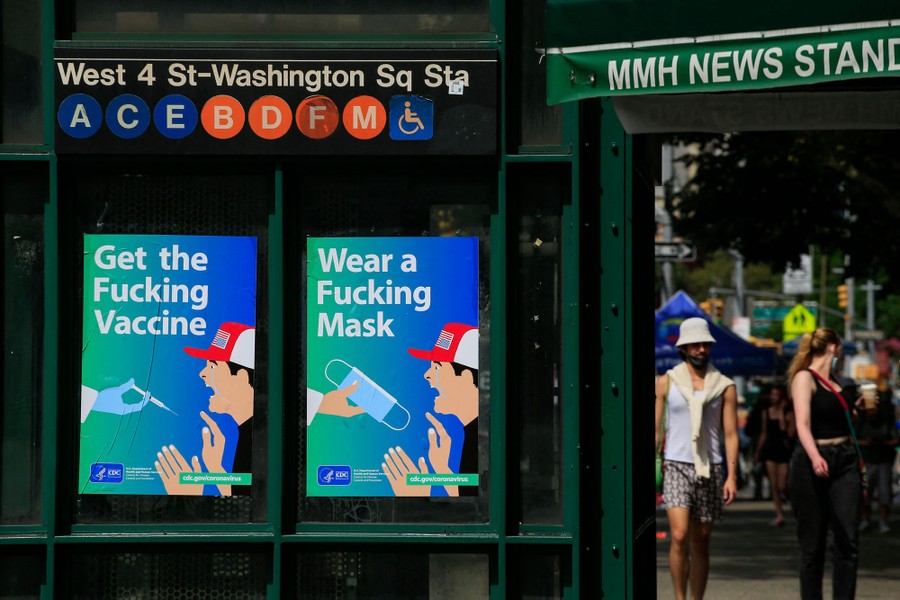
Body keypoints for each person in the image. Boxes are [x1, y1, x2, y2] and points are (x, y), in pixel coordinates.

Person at [655, 317, 739, 600]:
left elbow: (730, 435)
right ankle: (680, 597)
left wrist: (731, 476)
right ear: (684, 348)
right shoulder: (666, 382)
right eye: (695, 344)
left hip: (711, 467)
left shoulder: (725, 386)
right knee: (678, 535)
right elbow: (656, 429)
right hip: (676, 465)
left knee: (700, 541)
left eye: (705, 344)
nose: (701, 349)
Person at [787, 327, 862, 600]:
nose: (840, 354)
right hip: (811, 462)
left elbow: (845, 421)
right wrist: (815, 455)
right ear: (833, 347)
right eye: (839, 348)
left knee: (847, 540)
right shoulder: (804, 378)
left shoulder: (840, 384)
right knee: (812, 545)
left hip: (844, 460)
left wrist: (859, 408)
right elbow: (802, 424)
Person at [155, 322, 256, 497]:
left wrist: (187, 496)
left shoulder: (258, 437)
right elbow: (244, 495)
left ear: (241, 377)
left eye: (212, 366)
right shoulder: (249, 431)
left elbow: (254, 510)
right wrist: (215, 468)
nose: (202, 373)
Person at [382, 322, 479, 497]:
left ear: (465, 377)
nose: (427, 374)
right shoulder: (473, 431)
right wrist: (442, 469)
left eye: (437, 368)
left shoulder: (481, 437)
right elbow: (469, 493)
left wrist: (416, 497)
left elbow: (476, 514)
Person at [856, 382, 900, 534]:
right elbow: (853, 438)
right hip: (867, 460)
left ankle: (883, 521)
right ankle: (865, 519)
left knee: (884, 493)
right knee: (865, 493)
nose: (872, 414)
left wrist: (883, 442)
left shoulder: (886, 422)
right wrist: (865, 443)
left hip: (883, 461)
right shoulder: (862, 422)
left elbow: (896, 439)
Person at [755, 383, 795, 526]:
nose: (773, 398)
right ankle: (779, 514)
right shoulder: (766, 411)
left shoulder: (788, 412)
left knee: (782, 484)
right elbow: (764, 433)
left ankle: (786, 500)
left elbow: (789, 433)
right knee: (774, 484)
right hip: (770, 449)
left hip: (783, 450)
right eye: (772, 395)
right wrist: (758, 452)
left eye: (776, 395)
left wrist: (781, 415)